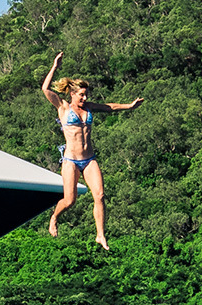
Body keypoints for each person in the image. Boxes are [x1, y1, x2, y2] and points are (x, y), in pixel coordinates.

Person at [40, 51, 143, 251]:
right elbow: (45, 89)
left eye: (86, 94)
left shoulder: (88, 108)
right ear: (72, 94)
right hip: (71, 160)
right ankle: (54, 217)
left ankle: (100, 235)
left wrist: (129, 106)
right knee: (69, 201)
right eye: (81, 95)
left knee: (100, 195)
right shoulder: (63, 107)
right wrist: (54, 67)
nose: (85, 98)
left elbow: (109, 107)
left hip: (89, 159)